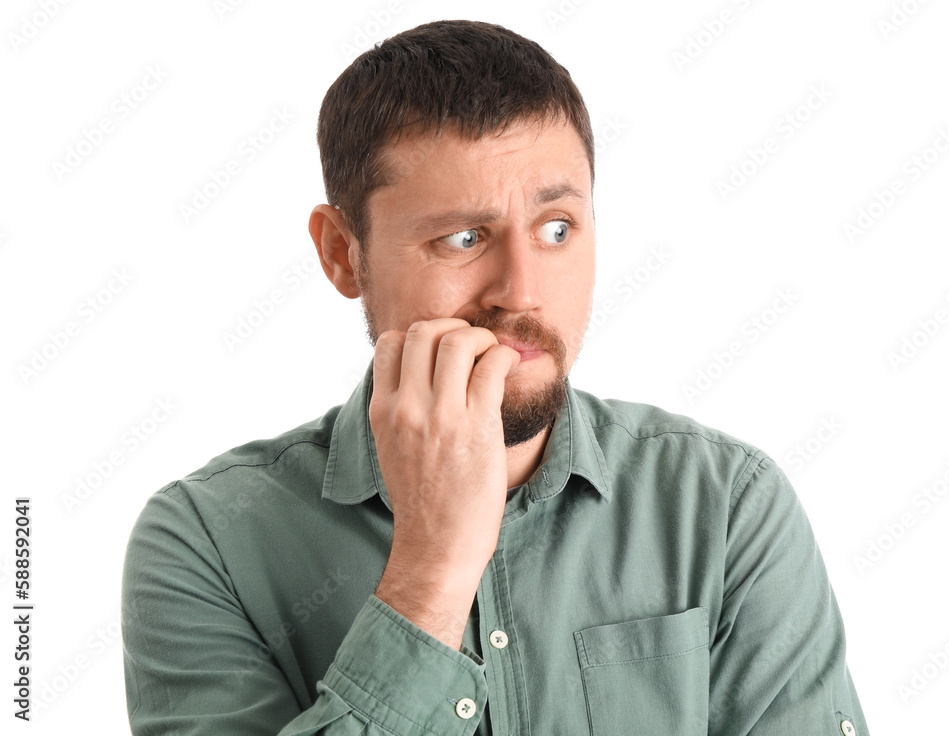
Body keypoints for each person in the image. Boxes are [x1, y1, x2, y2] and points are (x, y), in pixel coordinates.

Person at [121, 19, 870, 736]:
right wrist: (431, 573)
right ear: (343, 255)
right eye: (463, 237)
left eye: (556, 230)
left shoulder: (728, 506)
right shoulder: (204, 544)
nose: (521, 288)